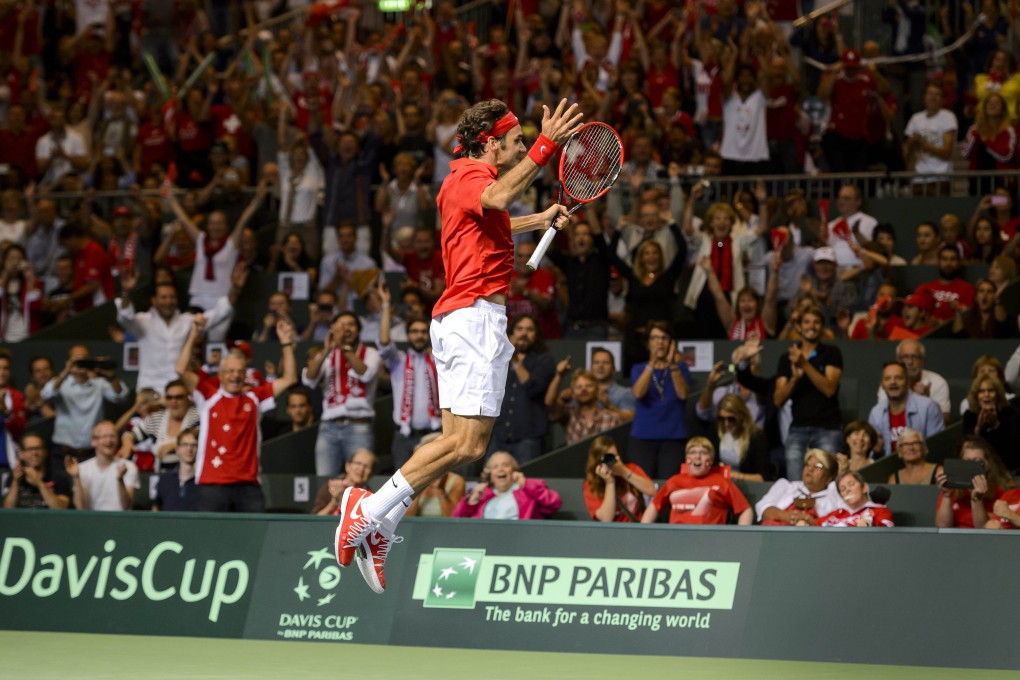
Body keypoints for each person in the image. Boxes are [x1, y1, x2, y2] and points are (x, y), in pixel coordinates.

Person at [333, 97, 581, 593]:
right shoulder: (472, 177)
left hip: (459, 319)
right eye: (513, 142)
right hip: (473, 320)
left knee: (454, 445)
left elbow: (494, 222)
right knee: (468, 444)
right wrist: (546, 145)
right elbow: (497, 198)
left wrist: (539, 220)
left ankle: (381, 525)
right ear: (491, 141)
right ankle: (366, 509)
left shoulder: (461, 181)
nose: (518, 149)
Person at [176, 314, 297, 512]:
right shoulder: (207, 396)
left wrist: (286, 344)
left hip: (248, 484)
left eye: (240, 371)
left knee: (253, 539)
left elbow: (290, 379)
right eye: (230, 371)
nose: (235, 376)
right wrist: (194, 335)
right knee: (212, 538)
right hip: (212, 482)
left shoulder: (255, 397)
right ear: (221, 375)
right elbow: (181, 370)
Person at [116, 266, 240, 392]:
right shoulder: (143, 321)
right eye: (163, 297)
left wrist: (235, 289)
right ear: (153, 300)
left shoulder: (186, 321)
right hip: (150, 389)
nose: (168, 301)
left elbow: (219, 313)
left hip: (179, 389)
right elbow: (125, 316)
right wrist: (126, 291)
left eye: (172, 297)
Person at [304, 311, 381, 476]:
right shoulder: (328, 353)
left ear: (358, 330)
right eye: (341, 325)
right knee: (324, 481)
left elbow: (365, 374)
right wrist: (325, 350)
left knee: (359, 481)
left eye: (350, 324)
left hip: (358, 426)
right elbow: (309, 379)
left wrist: (344, 347)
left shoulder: (370, 353)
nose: (346, 329)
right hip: (328, 427)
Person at [773, 305, 844, 480]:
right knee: (795, 485)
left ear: (822, 327)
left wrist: (804, 364)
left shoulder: (831, 352)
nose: (811, 326)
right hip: (797, 429)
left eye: (816, 322)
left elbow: (829, 389)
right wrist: (795, 378)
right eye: (806, 322)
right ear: (799, 327)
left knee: (828, 482)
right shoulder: (787, 357)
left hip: (828, 428)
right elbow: (777, 399)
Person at [377, 280, 441, 470]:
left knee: (432, 485)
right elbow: (384, 342)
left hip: (433, 433)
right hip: (404, 435)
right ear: (407, 335)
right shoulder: (399, 361)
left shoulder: (439, 360)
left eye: (423, 332)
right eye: (414, 332)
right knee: (403, 490)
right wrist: (386, 306)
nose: (419, 336)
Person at [41, 344, 130, 465]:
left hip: (92, 452)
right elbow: (46, 395)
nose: (81, 363)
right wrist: (66, 371)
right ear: (68, 362)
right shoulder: (61, 383)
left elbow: (121, 397)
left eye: (84, 359)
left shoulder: (99, 383)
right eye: (77, 360)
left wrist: (111, 376)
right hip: (63, 452)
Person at [487, 314, 556, 462]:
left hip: (529, 437)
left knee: (527, 481)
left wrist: (515, 358)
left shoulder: (544, 360)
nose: (523, 334)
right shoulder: (497, 360)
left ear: (536, 335)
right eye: (519, 329)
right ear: (511, 333)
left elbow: (532, 388)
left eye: (529, 330)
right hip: (498, 434)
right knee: (491, 481)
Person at [640, 437, 753, 526]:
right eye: (692, 452)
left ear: (711, 460)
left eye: (704, 453)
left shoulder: (722, 482)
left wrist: (741, 537)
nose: (697, 456)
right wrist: (643, 532)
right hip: (676, 537)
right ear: (686, 459)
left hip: (711, 539)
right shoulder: (674, 481)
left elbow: (746, 510)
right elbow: (654, 506)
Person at [629, 321, 691, 479]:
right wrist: (651, 364)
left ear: (671, 343)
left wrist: (673, 365)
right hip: (643, 437)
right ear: (648, 343)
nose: (660, 342)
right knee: (642, 485)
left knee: (669, 485)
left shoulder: (681, 368)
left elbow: (683, 394)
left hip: (673, 437)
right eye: (655, 338)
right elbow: (638, 393)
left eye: (664, 338)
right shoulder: (638, 368)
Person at [452, 451, 562, 519]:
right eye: (495, 467)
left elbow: (554, 504)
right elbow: (457, 520)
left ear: (514, 470)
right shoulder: (483, 495)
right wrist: (472, 500)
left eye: (505, 465)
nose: (500, 469)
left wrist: (527, 485)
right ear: (490, 474)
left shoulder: (527, 490)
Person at [119, 379, 199, 473]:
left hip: (193, 475)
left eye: (179, 397)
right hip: (163, 476)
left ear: (188, 398)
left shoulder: (197, 417)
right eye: (169, 397)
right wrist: (127, 443)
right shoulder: (158, 418)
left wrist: (175, 445)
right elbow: (131, 433)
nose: (174, 401)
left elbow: (202, 438)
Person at [868, 361, 944, 457]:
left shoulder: (928, 407)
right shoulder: (876, 413)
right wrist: (876, 451)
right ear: (882, 385)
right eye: (887, 379)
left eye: (898, 378)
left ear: (907, 382)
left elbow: (937, 448)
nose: (893, 382)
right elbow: (872, 454)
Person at [935, 437, 1013, 528]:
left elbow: (984, 531)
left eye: (978, 462)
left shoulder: (999, 494)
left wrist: (976, 499)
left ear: (988, 465)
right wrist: (947, 495)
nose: (971, 467)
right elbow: (942, 527)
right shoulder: (952, 490)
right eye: (967, 462)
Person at [755, 448, 843, 526]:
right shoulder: (787, 486)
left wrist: (813, 522)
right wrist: (786, 516)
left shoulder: (834, 496)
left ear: (829, 477)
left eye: (817, 466)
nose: (810, 469)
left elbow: (842, 522)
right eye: (807, 464)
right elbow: (763, 507)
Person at [65, 420, 139, 511]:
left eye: (112, 436)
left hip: (120, 522)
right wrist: (76, 477)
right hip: (92, 521)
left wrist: (120, 480)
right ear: (94, 441)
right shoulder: (81, 468)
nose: (109, 441)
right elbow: (80, 507)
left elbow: (126, 506)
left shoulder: (128, 466)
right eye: (104, 436)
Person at [582, 435, 655, 523]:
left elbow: (653, 490)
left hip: (637, 527)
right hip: (614, 532)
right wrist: (610, 483)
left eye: (615, 456)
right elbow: (606, 519)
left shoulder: (630, 468)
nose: (613, 462)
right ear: (598, 463)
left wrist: (623, 472)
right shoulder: (591, 485)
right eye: (608, 458)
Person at [546, 364, 623, 446]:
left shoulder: (611, 418)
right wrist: (559, 375)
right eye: (579, 387)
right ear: (573, 393)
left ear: (597, 390)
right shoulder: (569, 414)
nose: (584, 389)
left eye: (589, 386)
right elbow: (549, 402)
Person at [702, 393, 770, 482]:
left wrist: (735, 476)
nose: (726, 424)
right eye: (722, 419)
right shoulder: (715, 430)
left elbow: (763, 477)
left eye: (731, 419)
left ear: (741, 416)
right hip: (719, 483)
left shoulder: (756, 437)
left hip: (746, 487)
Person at [961, 374, 1020, 472]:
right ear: (976, 395)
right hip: (977, 469)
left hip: (1007, 468)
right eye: (981, 391)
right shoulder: (970, 415)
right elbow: (966, 447)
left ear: (998, 394)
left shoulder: (1010, 412)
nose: (986, 395)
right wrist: (978, 427)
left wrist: (995, 425)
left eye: (991, 390)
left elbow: (1013, 450)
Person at [3, 434, 70, 509]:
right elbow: (7, 510)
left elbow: (61, 509)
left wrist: (39, 483)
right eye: (29, 449)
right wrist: (15, 482)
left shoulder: (58, 477)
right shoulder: (14, 477)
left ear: (45, 452)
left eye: (38, 448)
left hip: (49, 520)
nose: (34, 453)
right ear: (21, 454)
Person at [913, 245, 975, 323]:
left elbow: (970, 321)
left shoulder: (968, 289)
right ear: (938, 262)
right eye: (944, 259)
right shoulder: (924, 288)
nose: (948, 263)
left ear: (959, 262)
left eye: (953, 259)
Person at [816, 471, 894, 527]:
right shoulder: (837, 514)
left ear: (864, 488)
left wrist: (871, 527)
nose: (847, 490)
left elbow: (888, 536)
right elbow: (816, 527)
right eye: (843, 489)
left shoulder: (879, 511)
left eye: (851, 484)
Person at [312, 449, 377, 516]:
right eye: (358, 463)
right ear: (347, 466)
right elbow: (315, 521)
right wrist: (334, 503)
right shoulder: (331, 487)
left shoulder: (371, 497)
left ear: (371, 474)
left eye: (366, 466)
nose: (361, 469)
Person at [151, 428, 200, 512]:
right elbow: (155, 508)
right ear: (177, 450)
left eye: (194, 445)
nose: (189, 449)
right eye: (185, 444)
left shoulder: (203, 481)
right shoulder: (165, 479)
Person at [589, 347, 636, 422]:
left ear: (613, 369)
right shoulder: (583, 392)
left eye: (606, 362)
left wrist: (608, 405)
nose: (600, 366)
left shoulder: (625, 393)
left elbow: (630, 418)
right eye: (596, 362)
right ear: (591, 369)